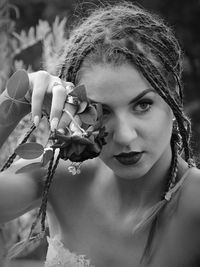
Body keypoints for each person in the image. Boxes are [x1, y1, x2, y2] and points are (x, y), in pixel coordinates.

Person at [0, 2, 200, 267]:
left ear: (173, 99)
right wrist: (14, 101)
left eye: (143, 105)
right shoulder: (58, 176)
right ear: (76, 110)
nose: (126, 136)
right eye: (101, 111)